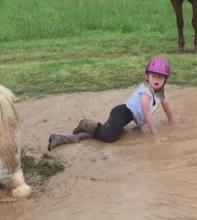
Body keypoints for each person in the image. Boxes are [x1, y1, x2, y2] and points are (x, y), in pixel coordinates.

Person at [47, 57, 175, 151]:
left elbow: (166, 106)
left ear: (165, 80)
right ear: (147, 76)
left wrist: (172, 121)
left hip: (127, 118)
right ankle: (86, 123)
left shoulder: (160, 93)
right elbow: (147, 114)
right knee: (110, 138)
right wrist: (154, 134)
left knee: (106, 134)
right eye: (154, 76)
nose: (156, 80)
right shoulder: (146, 92)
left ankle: (63, 139)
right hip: (121, 113)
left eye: (160, 77)